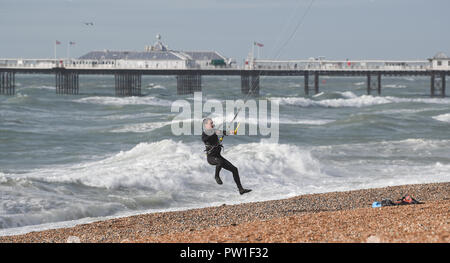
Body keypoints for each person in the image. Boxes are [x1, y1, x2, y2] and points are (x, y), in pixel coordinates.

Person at [202, 118, 252, 195]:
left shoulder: (214, 131)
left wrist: (230, 132)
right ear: (206, 125)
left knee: (234, 169)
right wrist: (214, 132)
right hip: (211, 158)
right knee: (220, 162)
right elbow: (205, 139)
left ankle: (241, 189)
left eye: (212, 123)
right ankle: (216, 176)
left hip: (218, 157)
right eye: (211, 123)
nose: (213, 124)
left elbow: (223, 132)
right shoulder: (205, 133)